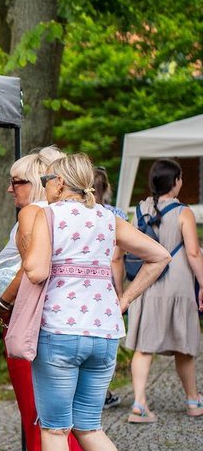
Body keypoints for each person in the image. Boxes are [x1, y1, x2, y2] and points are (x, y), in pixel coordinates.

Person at [23, 153, 169, 451]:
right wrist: (122, 302)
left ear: (58, 183)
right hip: (104, 332)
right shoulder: (107, 218)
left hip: (60, 331)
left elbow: (36, 271)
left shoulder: (47, 216)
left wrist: (27, 253)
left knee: (54, 430)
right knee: (90, 426)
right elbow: (159, 256)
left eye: (47, 179)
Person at [0, 147, 90, 451]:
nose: (12, 189)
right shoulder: (73, 216)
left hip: (32, 323)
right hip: (68, 323)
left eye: (19, 181)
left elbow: (32, 268)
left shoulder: (35, 216)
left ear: (40, 182)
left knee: (39, 418)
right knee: (64, 418)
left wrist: (3, 303)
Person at [115, 158, 203, 422]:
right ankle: (193, 401)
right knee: (183, 347)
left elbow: (121, 251)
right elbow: (193, 252)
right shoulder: (184, 212)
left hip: (146, 282)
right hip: (177, 285)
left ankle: (139, 404)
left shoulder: (139, 210)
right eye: (180, 178)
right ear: (174, 182)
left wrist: (121, 291)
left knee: (143, 347)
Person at [91, 166, 125, 409]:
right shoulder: (115, 214)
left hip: (78, 284)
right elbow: (117, 258)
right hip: (106, 283)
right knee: (105, 339)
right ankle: (102, 392)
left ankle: (94, 393)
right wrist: (120, 291)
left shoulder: (72, 212)